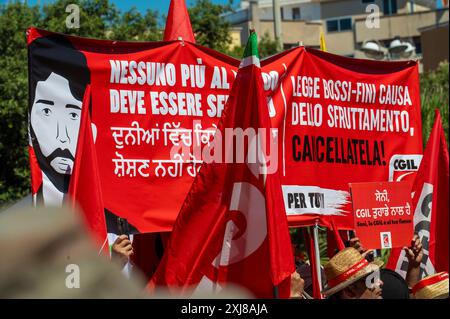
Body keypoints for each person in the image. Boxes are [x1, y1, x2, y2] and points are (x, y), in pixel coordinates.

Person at [28, 35, 90, 206]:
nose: (62, 137)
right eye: (46, 111)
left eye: (73, 115)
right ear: (31, 119)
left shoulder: (115, 224)